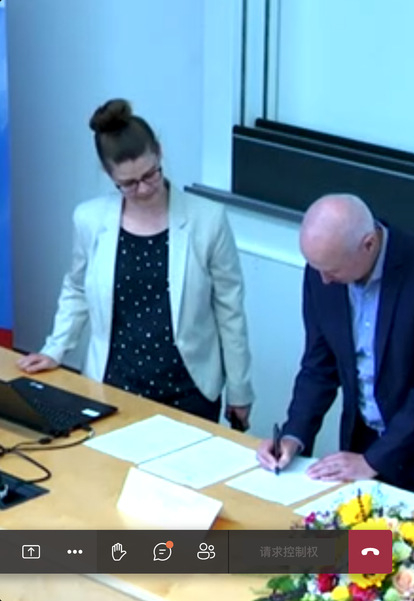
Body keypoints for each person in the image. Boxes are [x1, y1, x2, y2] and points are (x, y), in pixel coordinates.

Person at [16, 98, 254, 426]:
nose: (143, 189)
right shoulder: (90, 219)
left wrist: (240, 390)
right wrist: (55, 348)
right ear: (109, 174)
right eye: (128, 183)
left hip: (189, 390)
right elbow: (77, 288)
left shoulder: (207, 220)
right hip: (113, 386)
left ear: (159, 152)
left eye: (150, 175)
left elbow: (230, 310)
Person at [257, 193, 414, 508]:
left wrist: (374, 461)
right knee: (364, 540)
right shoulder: (322, 269)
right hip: (367, 439)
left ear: (368, 244)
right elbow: (319, 366)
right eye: (317, 268)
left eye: (332, 270)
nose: (324, 280)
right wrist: (293, 436)